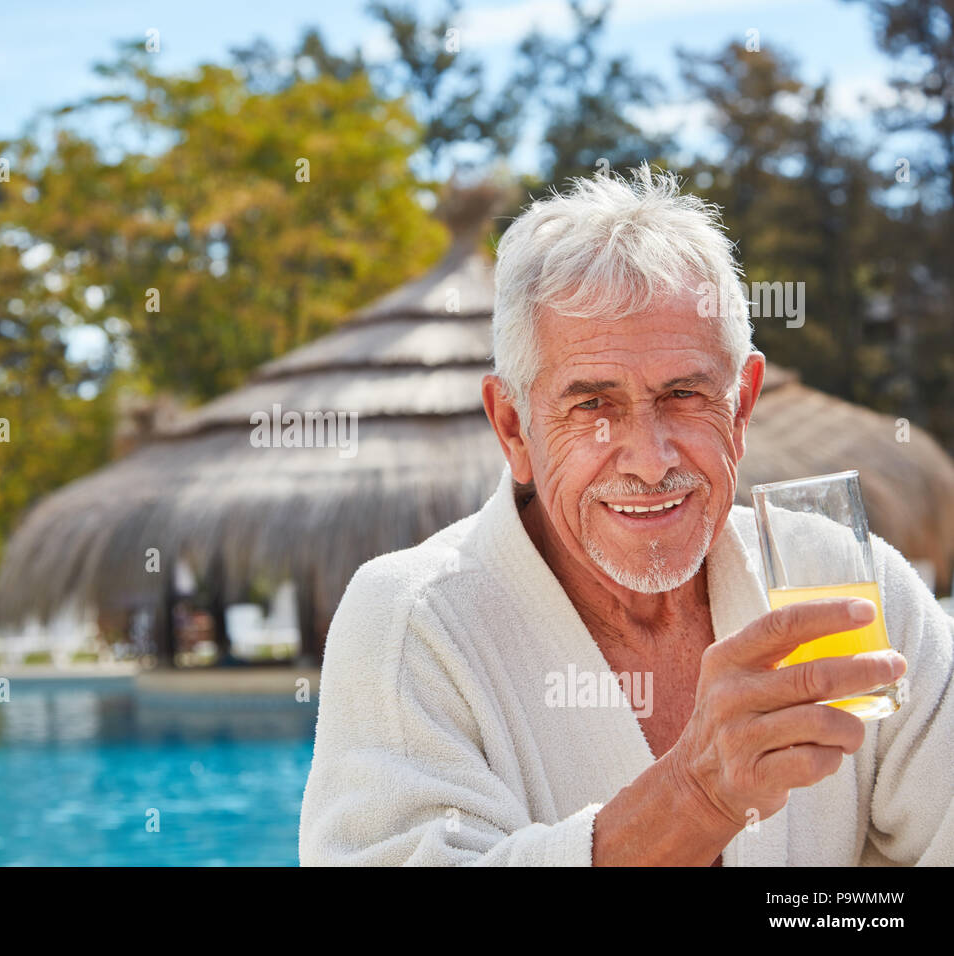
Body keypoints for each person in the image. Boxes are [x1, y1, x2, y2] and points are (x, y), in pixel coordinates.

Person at [298, 166, 954, 866]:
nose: (647, 458)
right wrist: (697, 795)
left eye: (682, 394)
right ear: (514, 428)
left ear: (740, 407)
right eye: (592, 405)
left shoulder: (848, 586)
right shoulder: (410, 622)